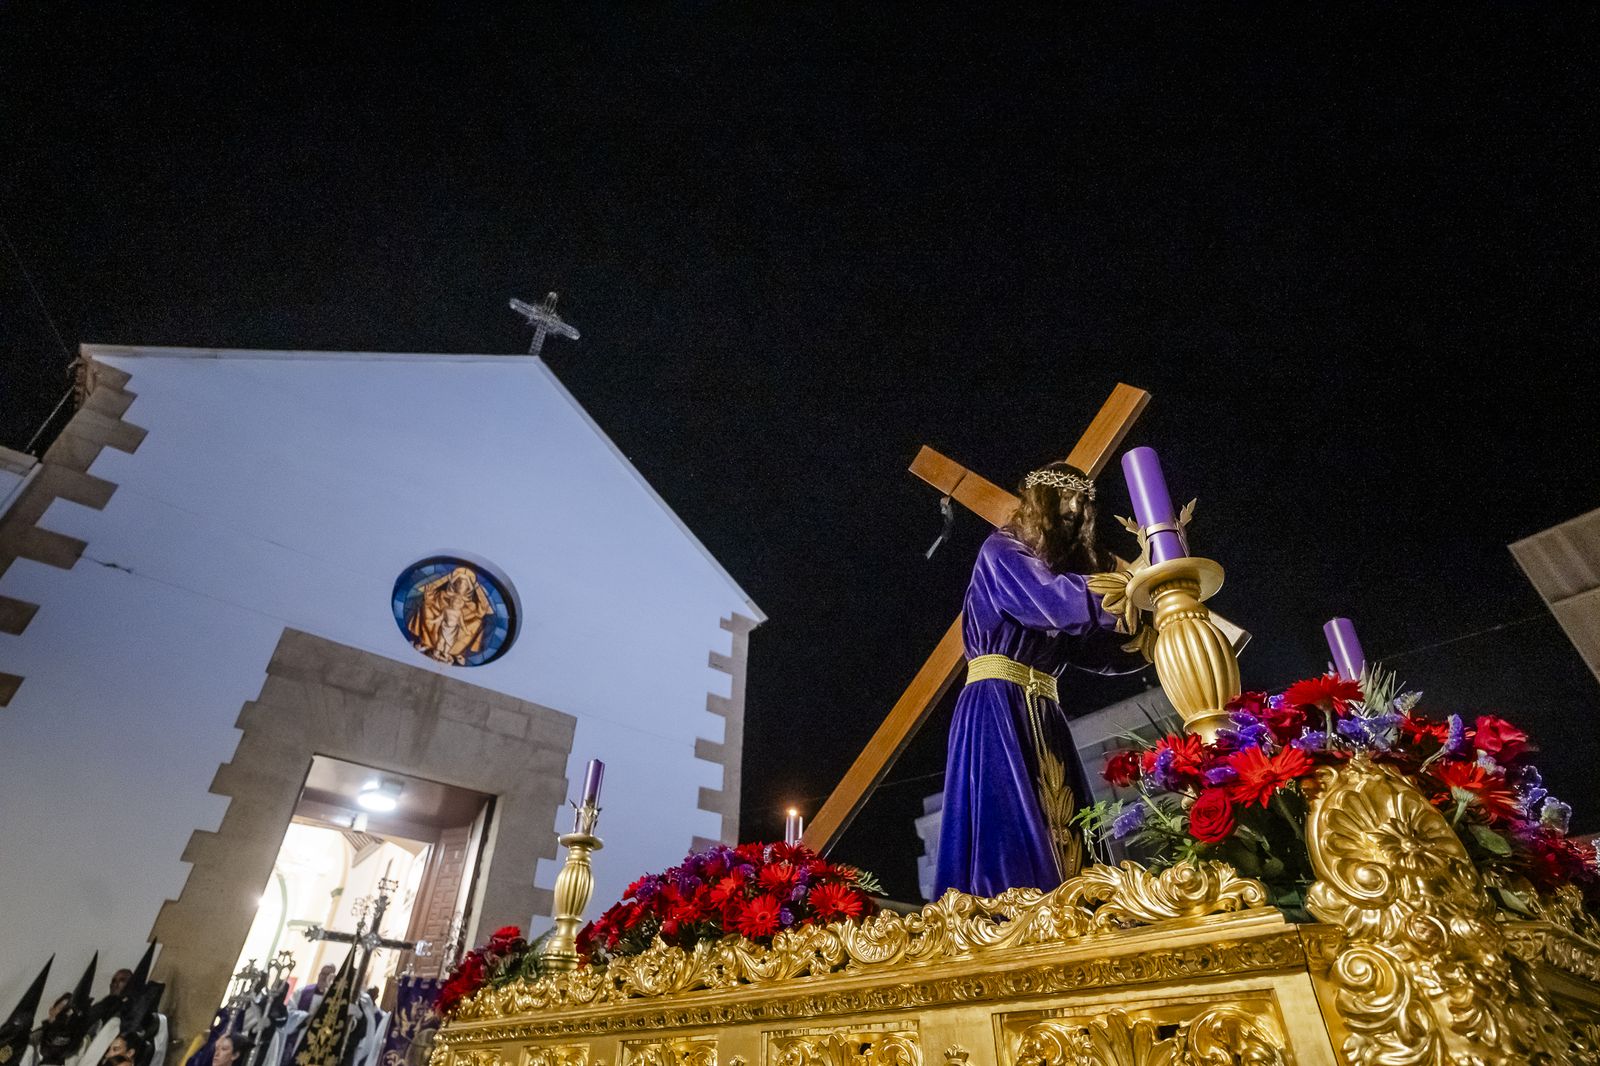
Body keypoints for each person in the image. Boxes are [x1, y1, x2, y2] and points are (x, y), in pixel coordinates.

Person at [933, 462, 1144, 898]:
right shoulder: (1002, 551)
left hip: (1044, 710)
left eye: (1082, 504)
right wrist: (1127, 591)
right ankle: (1012, 913)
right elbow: (1050, 600)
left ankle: (1076, 905)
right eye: (1063, 498)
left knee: (1066, 824)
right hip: (997, 702)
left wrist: (1150, 640)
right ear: (1041, 503)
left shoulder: (1054, 578)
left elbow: (1090, 652)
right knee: (1008, 817)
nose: (1072, 509)